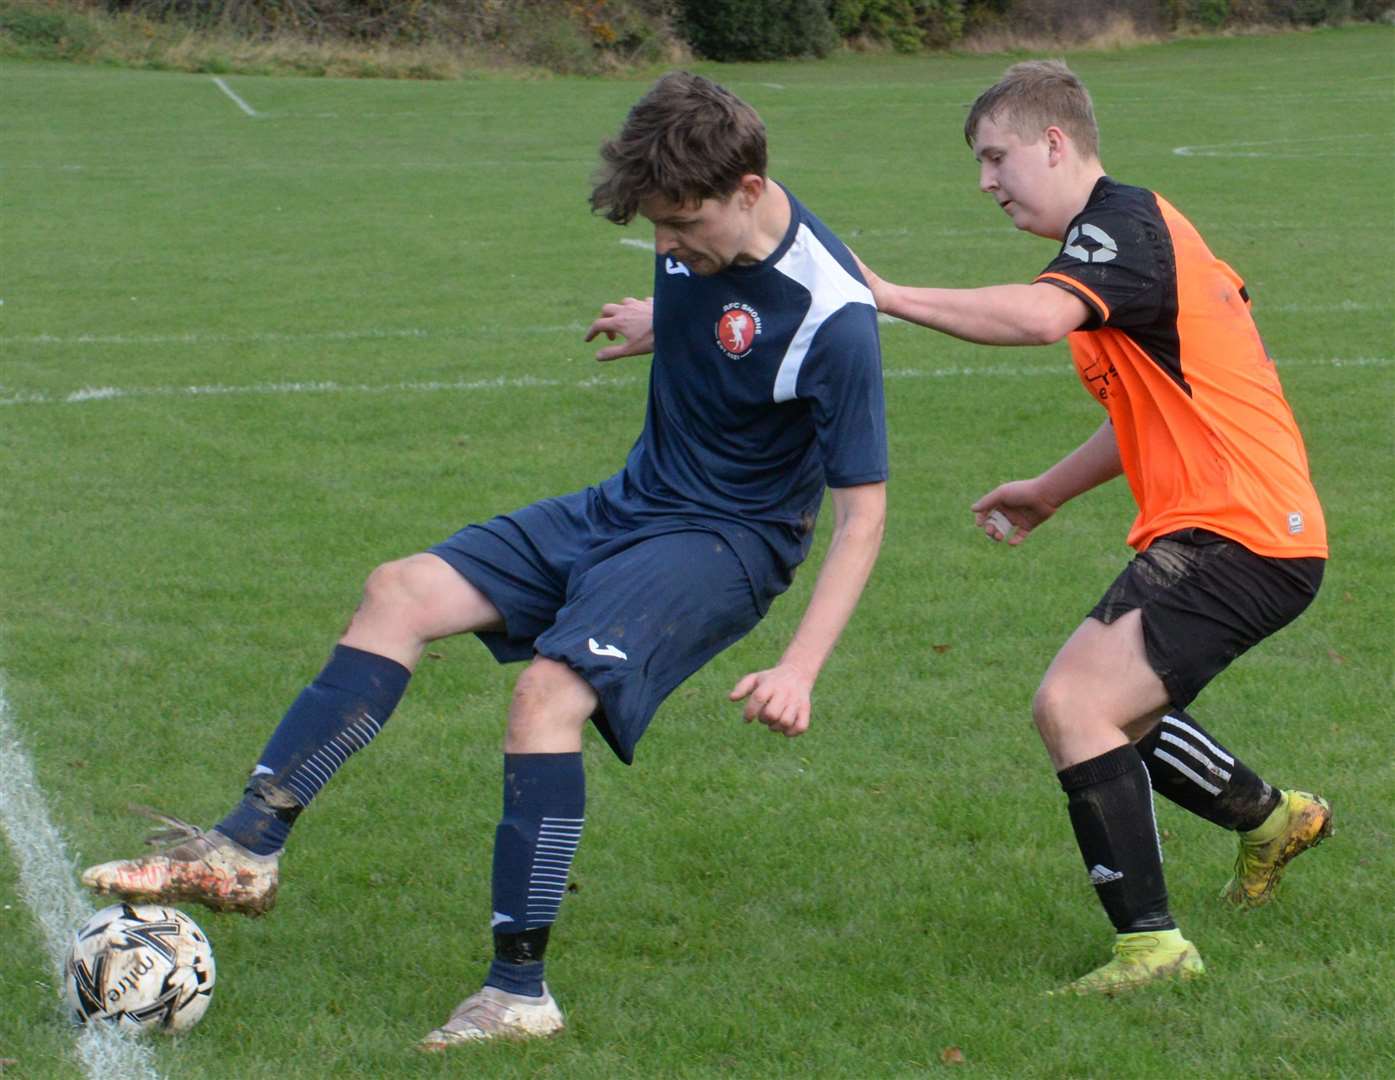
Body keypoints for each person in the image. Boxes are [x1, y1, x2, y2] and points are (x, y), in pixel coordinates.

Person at [81, 72, 888, 1046]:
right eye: (656, 229)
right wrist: (657, 320)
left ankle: (518, 995)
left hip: (727, 542)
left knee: (548, 693)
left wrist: (801, 666)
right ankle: (245, 850)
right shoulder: (702, 246)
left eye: (679, 228)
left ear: (750, 189)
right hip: (635, 502)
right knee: (400, 591)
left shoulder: (836, 315)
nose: (667, 246)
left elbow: (863, 518)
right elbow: (720, 321)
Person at [852, 59, 1332, 994]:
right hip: (1239, 527)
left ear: (1055, 143)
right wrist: (1046, 490)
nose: (985, 182)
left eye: (995, 158)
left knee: (1073, 707)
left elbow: (1036, 318)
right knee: (1116, 713)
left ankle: (1152, 949)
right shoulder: (1123, 242)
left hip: (1240, 528)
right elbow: (1145, 408)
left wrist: (891, 295)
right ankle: (1273, 820)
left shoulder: (1124, 227)